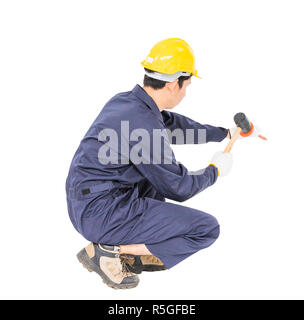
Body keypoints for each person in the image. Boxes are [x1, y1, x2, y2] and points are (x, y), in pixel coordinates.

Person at [65, 38, 259, 290]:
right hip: (101, 214)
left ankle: (118, 247)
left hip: (88, 202)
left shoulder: (127, 103)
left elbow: (173, 127)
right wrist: (215, 171)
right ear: (172, 83)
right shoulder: (144, 125)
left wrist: (223, 133)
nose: (185, 92)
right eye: (186, 85)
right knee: (206, 229)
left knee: (151, 182)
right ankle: (109, 253)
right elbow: (179, 188)